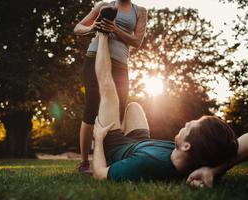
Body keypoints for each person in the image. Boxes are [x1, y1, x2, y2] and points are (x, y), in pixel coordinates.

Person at [91, 32, 241, 182]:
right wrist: (215, 169)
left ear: (187, 146)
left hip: (117, 148)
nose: (187, 123)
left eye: (190, 126)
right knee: (134, 107)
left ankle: (102, 35)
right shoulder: (193, 157)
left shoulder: (146, 165)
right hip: (139, 145)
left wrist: (98, 139)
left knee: (107, 87)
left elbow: (100, 174)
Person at [74, 0, 147, 173]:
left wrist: (114, 29)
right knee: (91, 108)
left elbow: (137, 41)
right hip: (95, 57)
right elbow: (78, 28)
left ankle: (111, 157)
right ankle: (84, 162)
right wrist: (93, 27)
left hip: (120, 64)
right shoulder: (103, 6)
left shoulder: (140, 11)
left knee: (118, 111)